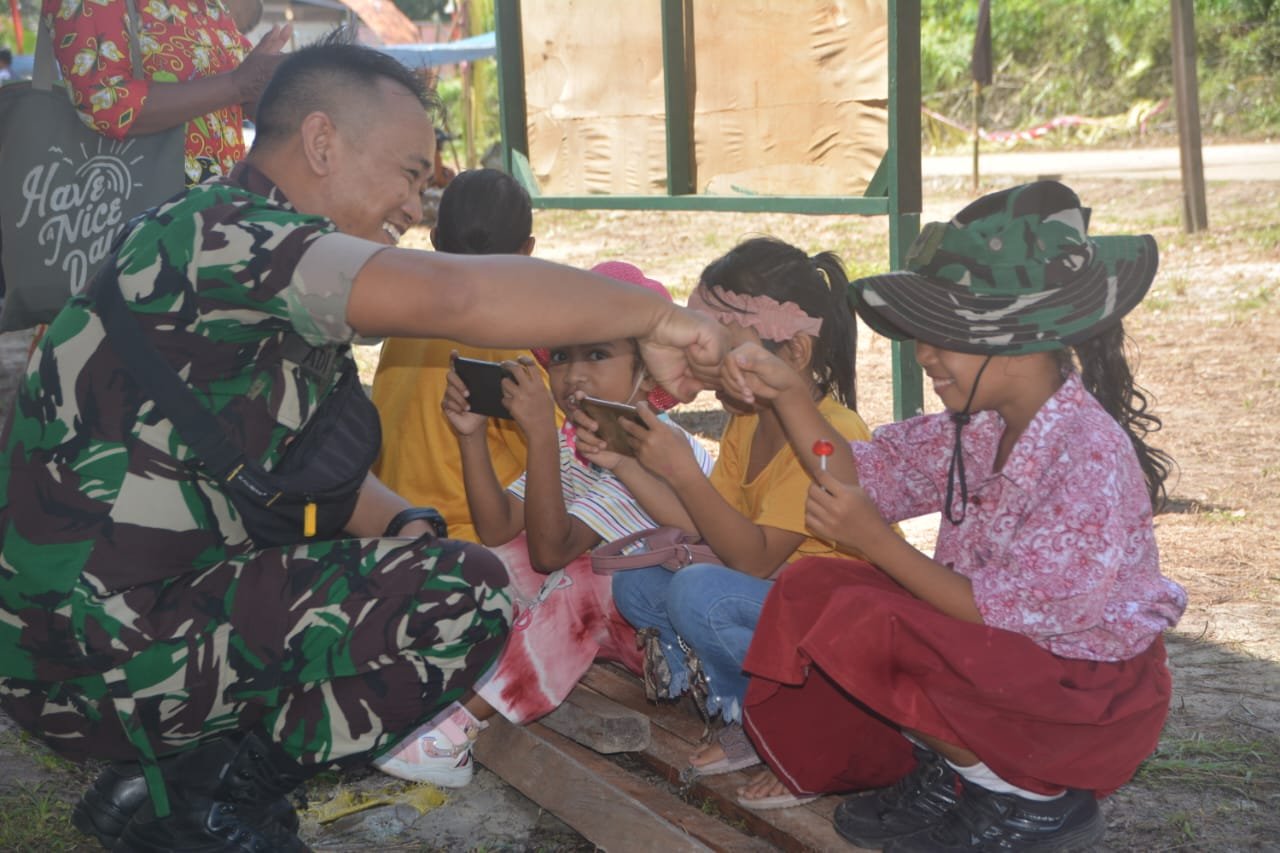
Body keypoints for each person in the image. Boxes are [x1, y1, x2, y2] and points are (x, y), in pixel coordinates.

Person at [0, 37, 725, 852]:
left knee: (430, 567)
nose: (416, 207)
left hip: (85, 639)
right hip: (92, 653)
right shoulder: (234, 240)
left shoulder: (221, 244)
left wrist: (411, 525)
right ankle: (206, 807)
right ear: (321, 143)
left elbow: (303, 473)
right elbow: (459, 292)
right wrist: (653, 317)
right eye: (411, 174)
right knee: (464, 597)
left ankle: (171, 780)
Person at [723, 181, 1187, 849]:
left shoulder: (1085, 455)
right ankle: (960, 770)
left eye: (944, 338)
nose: (924, 356)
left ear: (1020, 340)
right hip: (1016, 663)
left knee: (874, 619)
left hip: (1084, 698)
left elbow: (1009, 610)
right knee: (811, 589)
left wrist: (875, 542)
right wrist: (794, 395)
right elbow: (862, 476)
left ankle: (1029, 799)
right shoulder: (975, 424)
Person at [374, 261, 717, 787]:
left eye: (597, 354)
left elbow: (553, 552)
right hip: (617, 623)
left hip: (672, 638)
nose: (573, 375)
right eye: (561, 356)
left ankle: (458, 728)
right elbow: (500, 529)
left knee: (585, 578)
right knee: (491, 562)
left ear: (647, 371)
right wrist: (470, 435)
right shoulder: (573, 436)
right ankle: (435, 690)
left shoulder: (647, 443)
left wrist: (537, 431)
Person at [600, 237, 874, 801]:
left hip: (833, 624)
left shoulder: (829, 434)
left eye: (723, 352)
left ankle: (771, 725)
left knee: (701, 591)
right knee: (636, 578)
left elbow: (751, 557)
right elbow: (705, 523)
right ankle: (731, 700)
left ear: (794, 353)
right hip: (770, 601)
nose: (704, 370)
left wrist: (684, 472)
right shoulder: (748, 421)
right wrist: (625, 463)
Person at [371, 168, 548, 543]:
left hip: (386, 523)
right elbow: (566, 460)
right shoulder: (508, 344)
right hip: (464, 541)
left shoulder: (403, 322)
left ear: (434, 240)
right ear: (527, 251)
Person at [43, 0, 288, 185]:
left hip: (216, 208)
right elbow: (105, 103)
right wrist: (238, 84)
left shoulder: (209, 5)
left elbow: (233, 100)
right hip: (142, 215)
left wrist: (276, 87)